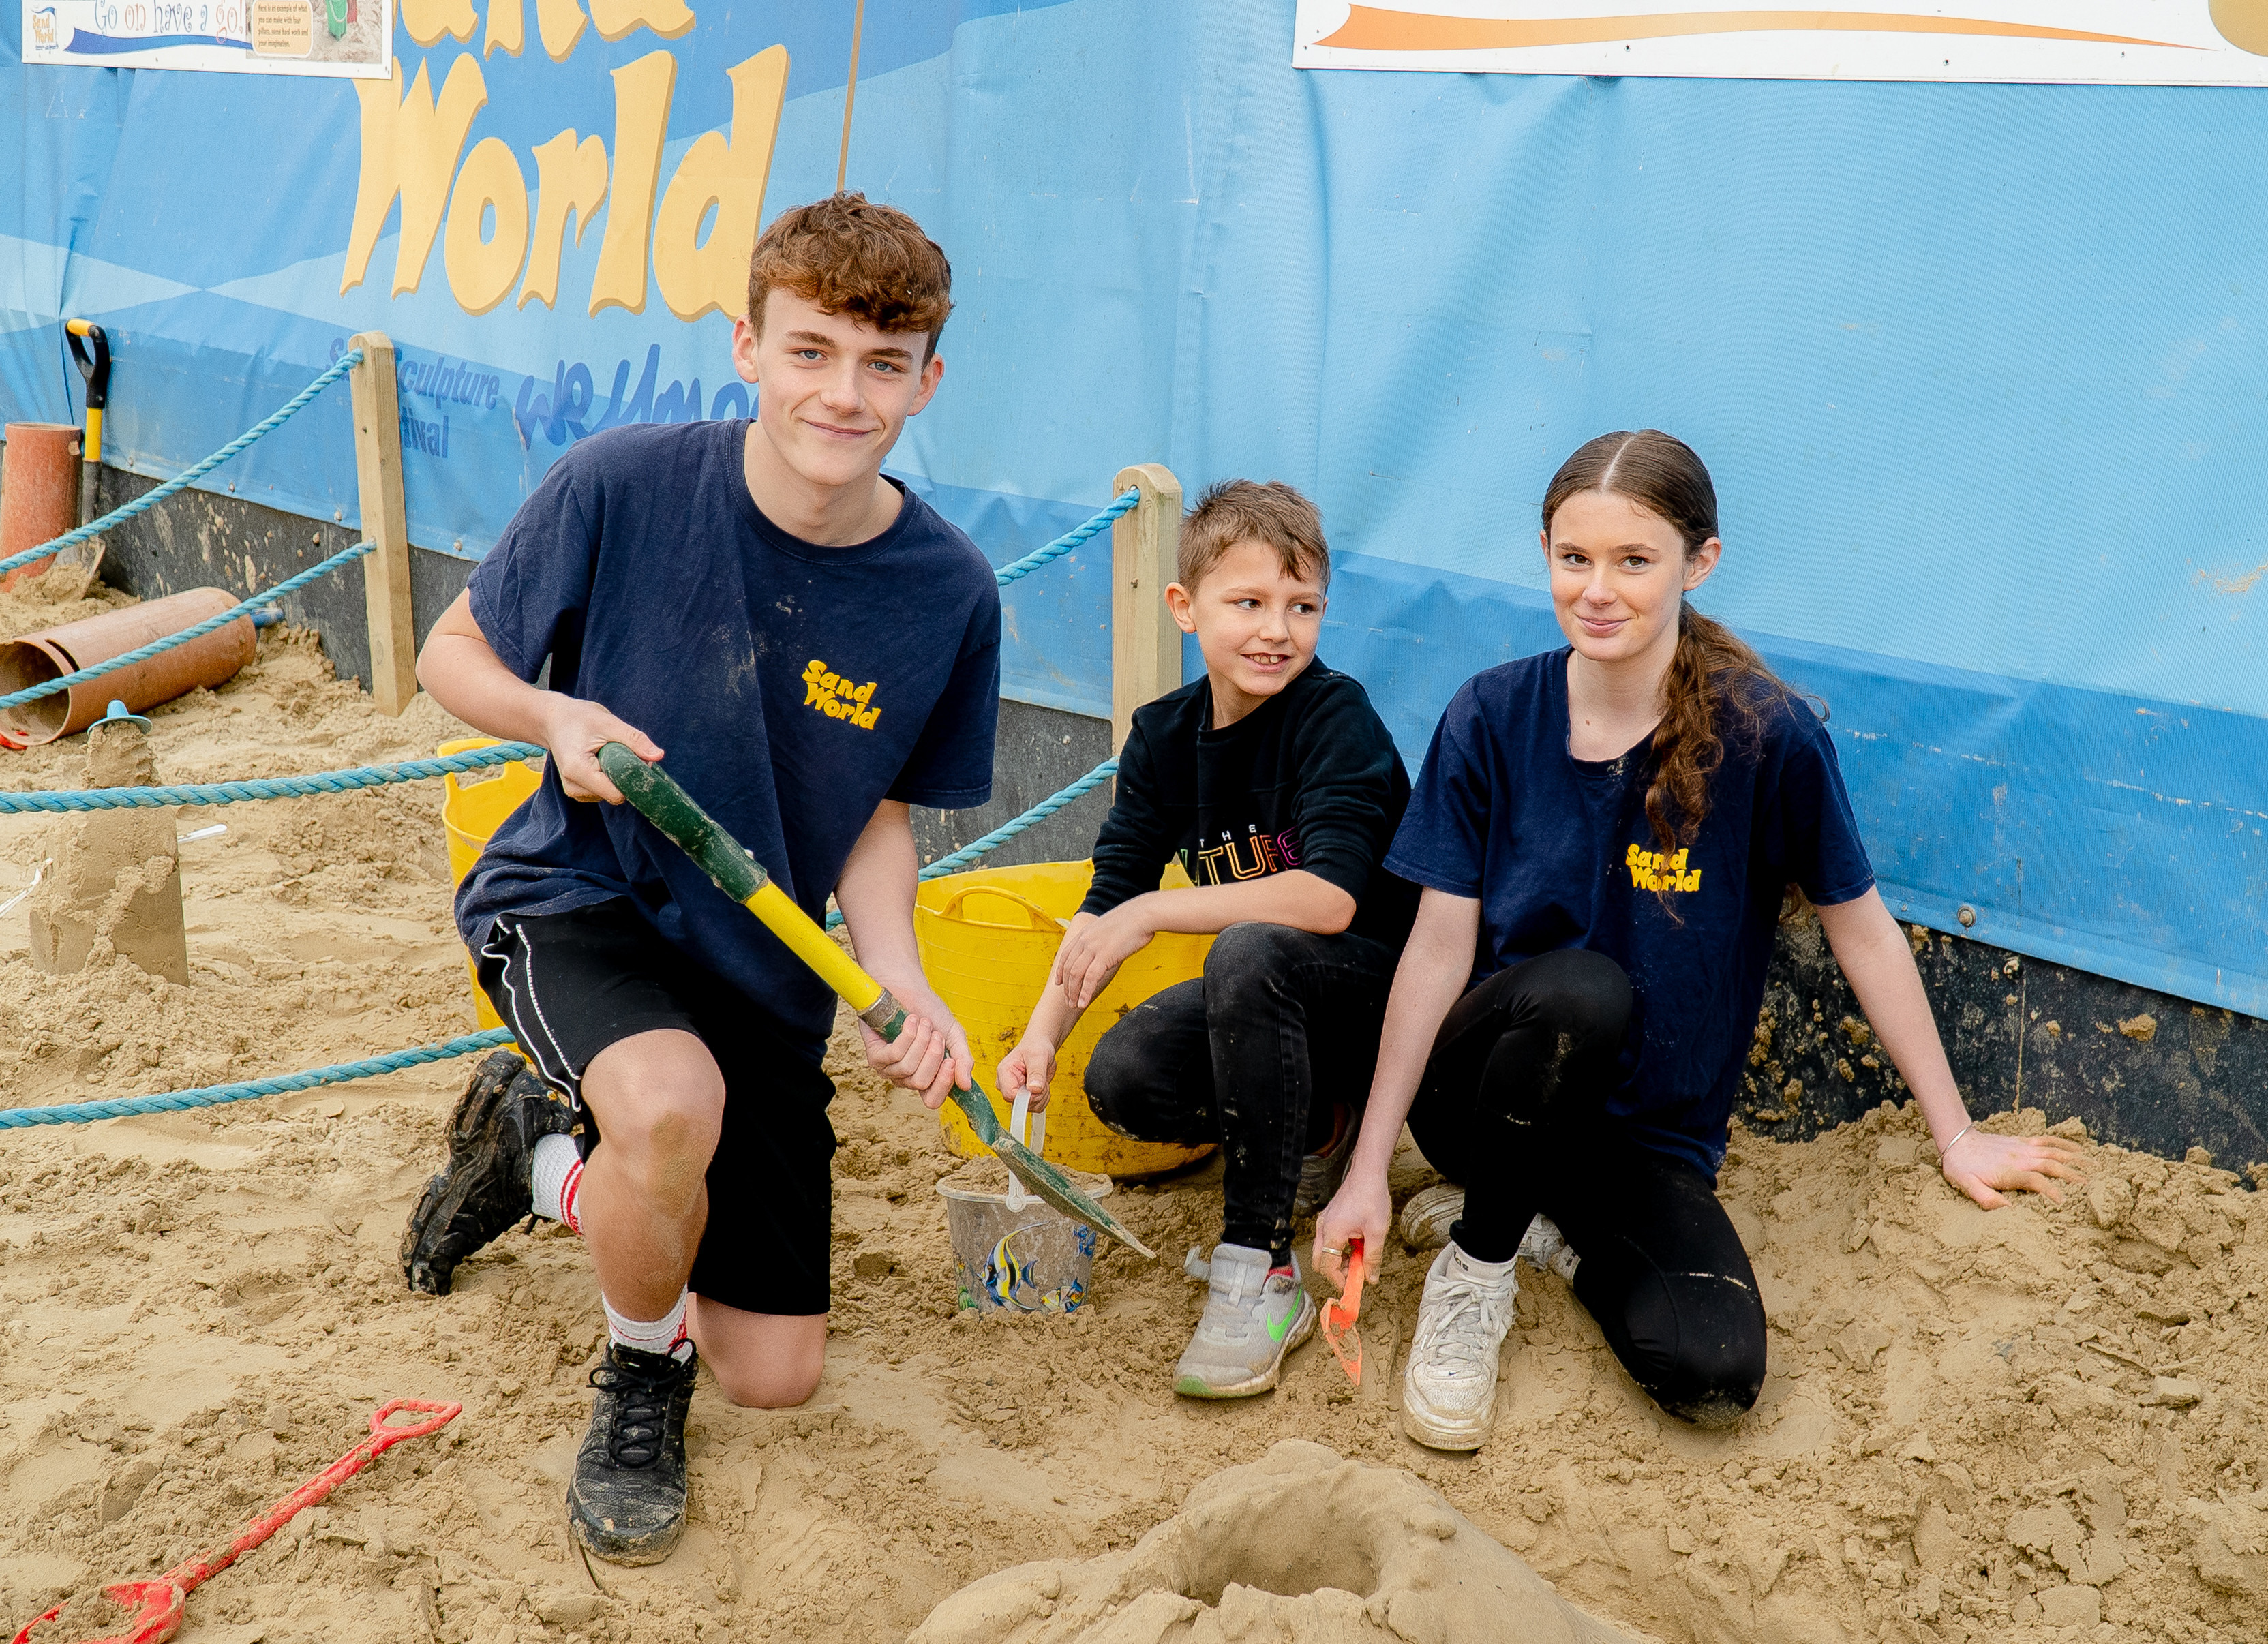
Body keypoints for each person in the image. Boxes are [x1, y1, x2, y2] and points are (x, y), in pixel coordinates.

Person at [397, 193, 1000, 1564]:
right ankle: (636, 1372)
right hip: (581, 895)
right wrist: (555, 718)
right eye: (809, 351)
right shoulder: (623, 482)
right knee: (672, 1113)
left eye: (882, 364)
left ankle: (538, 1158)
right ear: (746, 345)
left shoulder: (948, 591)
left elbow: (879, 817)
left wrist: (900, 982)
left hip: (765, 961)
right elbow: (450, 656)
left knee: (774, 1374)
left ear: (926, 380)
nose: (841, 394)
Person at [1313, 429, 2084, 1452]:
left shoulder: (1765, 736)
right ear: (1544, 552)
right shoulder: (1492, 714)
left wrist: (1956, 1134)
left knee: (1713, 1374)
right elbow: (1436, 952)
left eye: (1634, 561)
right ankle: (1477, 1268)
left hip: (1644, 1135)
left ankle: (1542, 1237)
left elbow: (1863, 934)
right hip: (1486, 1099)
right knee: (1582, 992)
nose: (1598, 590)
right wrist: (1370, 1166)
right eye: (1574, 558)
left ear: (1699, 562)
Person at [997, 480, 1417, 1399]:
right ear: (1185, 608)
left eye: (1303, 607)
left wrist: (1152, 914)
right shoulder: (1163, 738)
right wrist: (1041, 1037)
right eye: (1248, 603)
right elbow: (1109, 901)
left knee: (1251, 948)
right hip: (1276, 1001)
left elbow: (1331, 900)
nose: (1278, 631)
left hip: (1385, 999)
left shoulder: (1335, 717)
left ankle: (1259, 1268)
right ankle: (1318, 1129)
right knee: (1124, 1077)